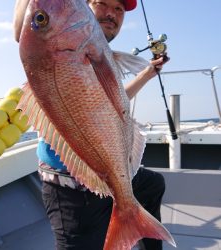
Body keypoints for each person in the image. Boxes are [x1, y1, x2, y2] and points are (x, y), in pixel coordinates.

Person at [14, 0, 169, 249]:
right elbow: (27, 22)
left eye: (119, 10)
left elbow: (107, 102)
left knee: (153, 185)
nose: (111, 14)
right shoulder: (52, 44)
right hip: (68, 186)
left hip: (109, 175)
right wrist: (37, 13)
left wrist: (147, 74)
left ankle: (129, 215)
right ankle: (126, 210)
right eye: (102, 3)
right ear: (86, 5)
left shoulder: (93, 50)